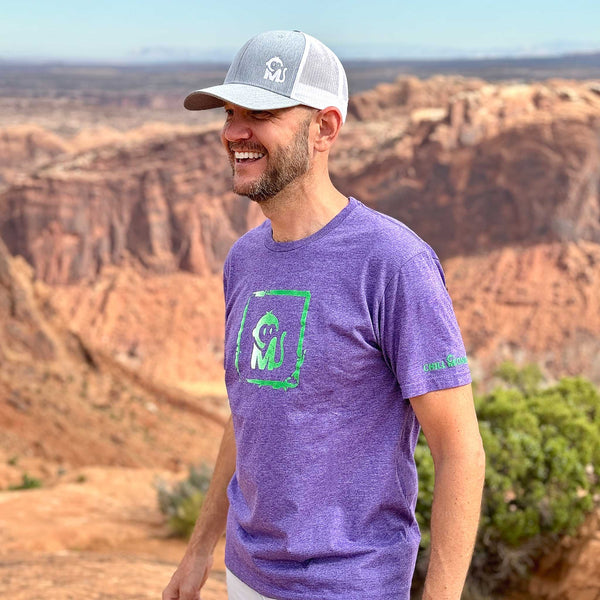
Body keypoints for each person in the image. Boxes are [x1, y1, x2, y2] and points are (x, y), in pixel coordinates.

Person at [163, 30, 485, 600]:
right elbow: (249, 412)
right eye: (231, 111)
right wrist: (199, 551)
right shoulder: (245, 259)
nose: (234, 131)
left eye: (261, 112)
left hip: (350, 585)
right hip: (247, 576)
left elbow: (459, 449)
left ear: (325, 129)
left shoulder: (393, 262)